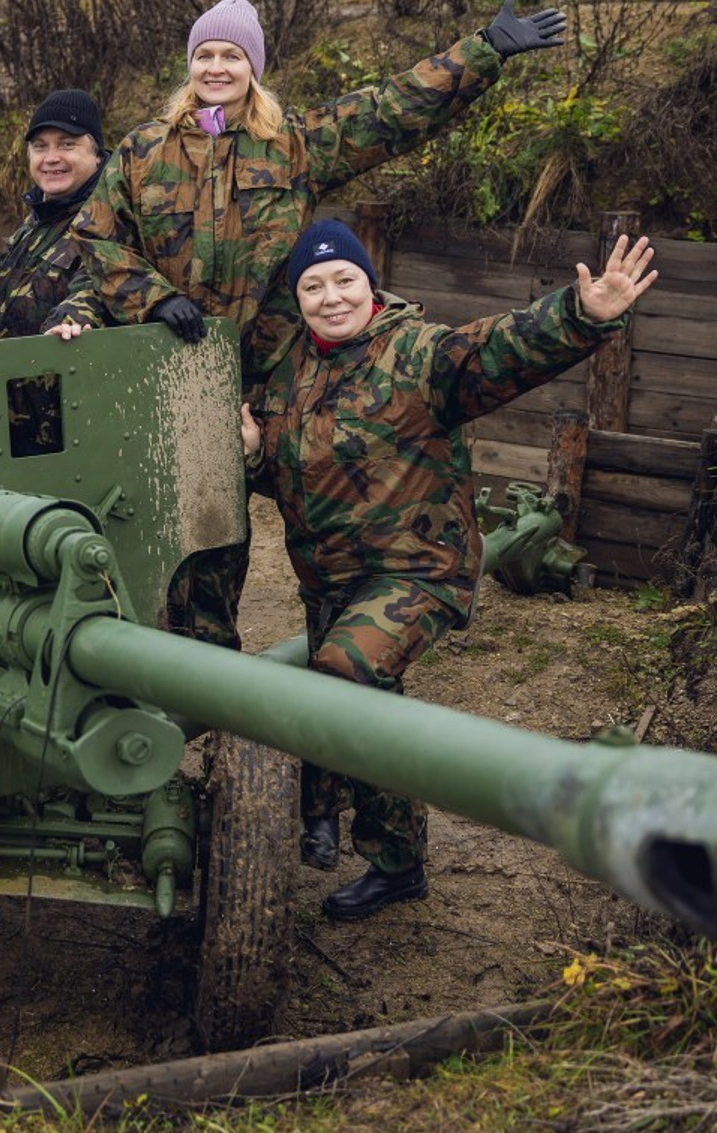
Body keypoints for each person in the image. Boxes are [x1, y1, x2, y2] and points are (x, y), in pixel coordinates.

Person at [47, 0, 567, 652]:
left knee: (297, 518)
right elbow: (95, 238)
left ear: (252, 68)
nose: (216, 66)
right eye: (205, 54)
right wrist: (150, 298)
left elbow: (391, 110)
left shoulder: (292, 144)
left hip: (276, 376)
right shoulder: (144, 151)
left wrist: (484, 49)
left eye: (231, 55)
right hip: (173, 370)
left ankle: (329, 654)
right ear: (189, 66)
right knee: (184, 534)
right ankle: (182, 678)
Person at [239, 219, 658, 920]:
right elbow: (287, 476)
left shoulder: (419, 354)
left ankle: (396, 864)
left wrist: (581, 315)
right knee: (337, 695)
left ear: (369, 284)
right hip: (331, 579)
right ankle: (327, 814)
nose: (331, 296)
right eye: (312, 286)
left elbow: (502, 348)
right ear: (297, 299)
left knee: (348, 676)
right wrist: (254, 453)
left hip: (416, 570)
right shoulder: (289, 372)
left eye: (344, 279)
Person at [0, 88, 109, 340]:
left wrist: (71, 321)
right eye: (40, 147)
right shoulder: (36, 221)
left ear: (96, 155)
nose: (51, 158)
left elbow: (100, 288)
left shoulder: (108, 219)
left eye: (67, 145)